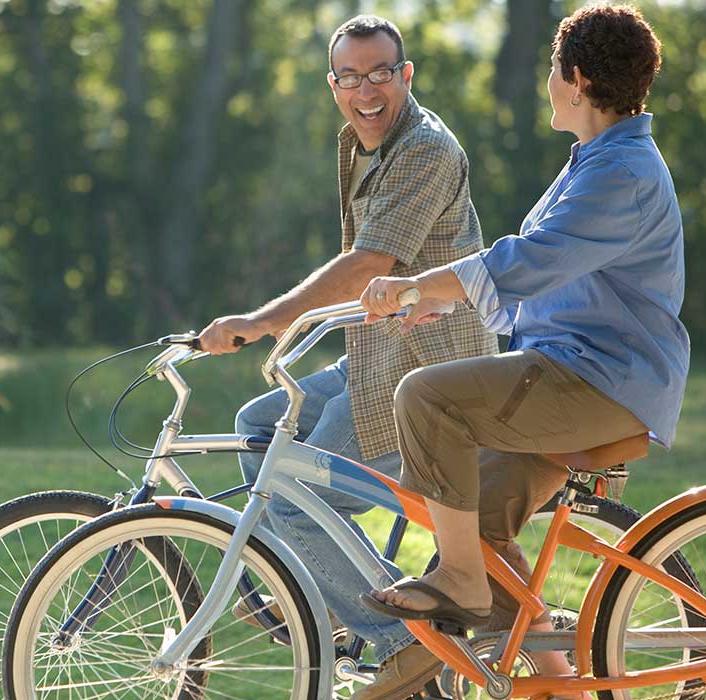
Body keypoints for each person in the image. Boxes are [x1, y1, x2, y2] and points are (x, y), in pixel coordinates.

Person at [356, 5, 688, 699]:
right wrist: (440, 299)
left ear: (574, 79)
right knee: (476, 534)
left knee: (426, 395)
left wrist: (418, 283)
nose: (546, 83)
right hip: (575, 370)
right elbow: (545, 276)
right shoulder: (598, 160)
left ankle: (455, 588)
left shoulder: (620, 172)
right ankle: (542, 679)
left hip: (598, 381)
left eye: (549, 71)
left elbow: (529, 260)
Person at [195, 15, 497, 699]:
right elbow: (369, 278)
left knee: (299, 499)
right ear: (333, 84)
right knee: (259, 427)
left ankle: (407, 651)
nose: (367, 89)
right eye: (351, 76)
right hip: (374, 356)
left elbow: (370, 263)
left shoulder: (424, 148)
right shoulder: (363, 142)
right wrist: (301, 327)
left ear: (406, 75)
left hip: (425, 374)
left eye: (381, 73)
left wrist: (266, 321)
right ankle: (332, 602)